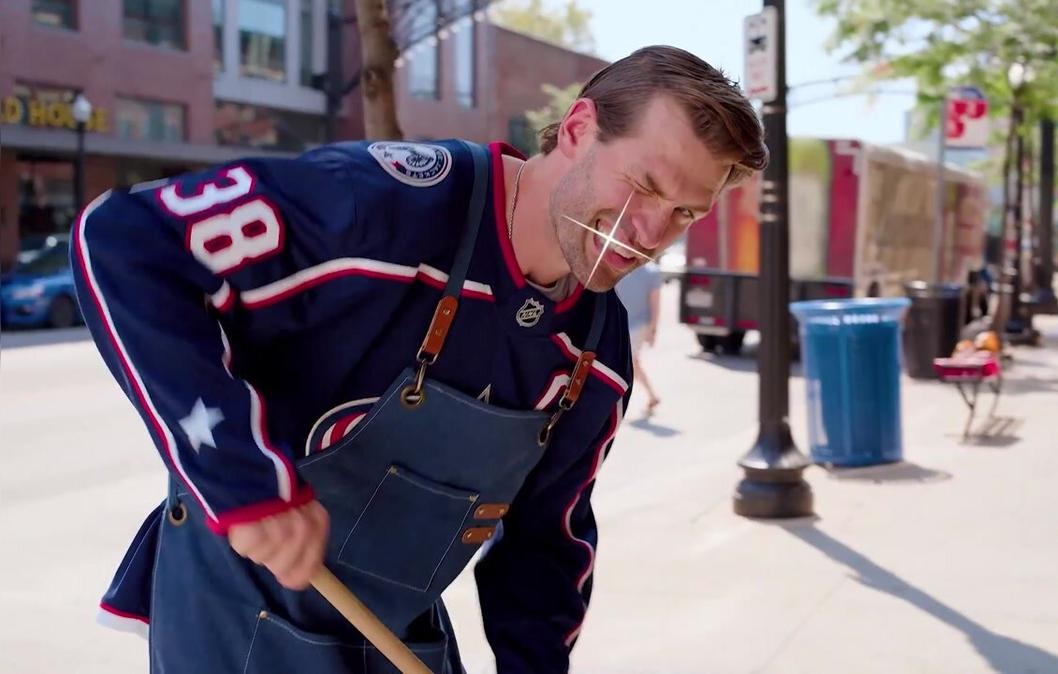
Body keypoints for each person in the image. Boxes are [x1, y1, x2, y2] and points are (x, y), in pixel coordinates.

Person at [72, 45, 766, 673]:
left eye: (684, 214)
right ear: (579, 129)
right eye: (643, 185)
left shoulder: (598, 354)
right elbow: (127, 241)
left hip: (394, 633)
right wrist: (241, 479)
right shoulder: (392, 205)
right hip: (235, 617)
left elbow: (544, 545)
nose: (647, 232)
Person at [615, 260, 663, 416]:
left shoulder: (649, 271)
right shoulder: (650, 271)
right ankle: (651, 396)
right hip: (627, 325)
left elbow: (655, 303)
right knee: (630, 364)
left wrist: (653, 329)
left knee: (629, 364)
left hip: (637, 326)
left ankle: (648, 396)